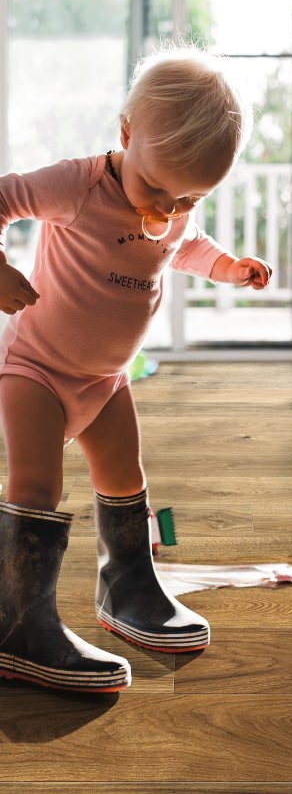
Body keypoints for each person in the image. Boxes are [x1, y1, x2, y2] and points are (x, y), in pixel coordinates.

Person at [0, 46, 272, 693]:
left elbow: (186, 245)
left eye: (186, 197)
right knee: (37, 485)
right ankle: (18, 623)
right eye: (155, 190)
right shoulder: (78, 184)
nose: (164, 210)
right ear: (126, 133)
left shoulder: (173, 203)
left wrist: (227, 267)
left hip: (104, 380)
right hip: (36, 368)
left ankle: (128, 588)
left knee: (125, 476)